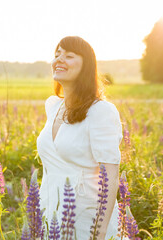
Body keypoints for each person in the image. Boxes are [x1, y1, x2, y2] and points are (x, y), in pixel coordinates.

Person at [36, 36, 123, 239]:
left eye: (68, 55)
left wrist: (99, 231)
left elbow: (109, 174)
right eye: (57, 55)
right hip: (50, 213)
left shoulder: (101, 111)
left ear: (86, 65)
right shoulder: (53, 106)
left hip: (87, 218)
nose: (59, 60)